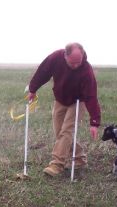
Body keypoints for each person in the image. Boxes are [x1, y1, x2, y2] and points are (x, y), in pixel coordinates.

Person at [27, 42, 101, 177]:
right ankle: (79, 158)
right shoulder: (55, 58)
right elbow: (43, 72)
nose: (76, 65)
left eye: (78, 62)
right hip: (60, 99)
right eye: (72, 63)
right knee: (59, 133)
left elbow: (91, 96)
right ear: (65, 56)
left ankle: (57, 164)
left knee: (66, 131)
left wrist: (94, 122)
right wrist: (33, 89)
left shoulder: (86, 70)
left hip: (78, 102)